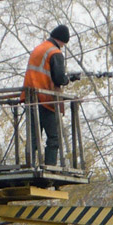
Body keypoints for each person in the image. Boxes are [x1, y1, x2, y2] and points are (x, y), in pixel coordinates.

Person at [23, 24, 76, 166]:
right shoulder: (55, 52)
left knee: (33, 137)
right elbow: (59, 78)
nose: (63, 47)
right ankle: (49, 166)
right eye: (63, 44)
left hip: (30, 98)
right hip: (46, 100)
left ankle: (30, 165)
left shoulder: (38, 49)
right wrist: (67, 79)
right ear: (62, 40)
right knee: (54, 138)